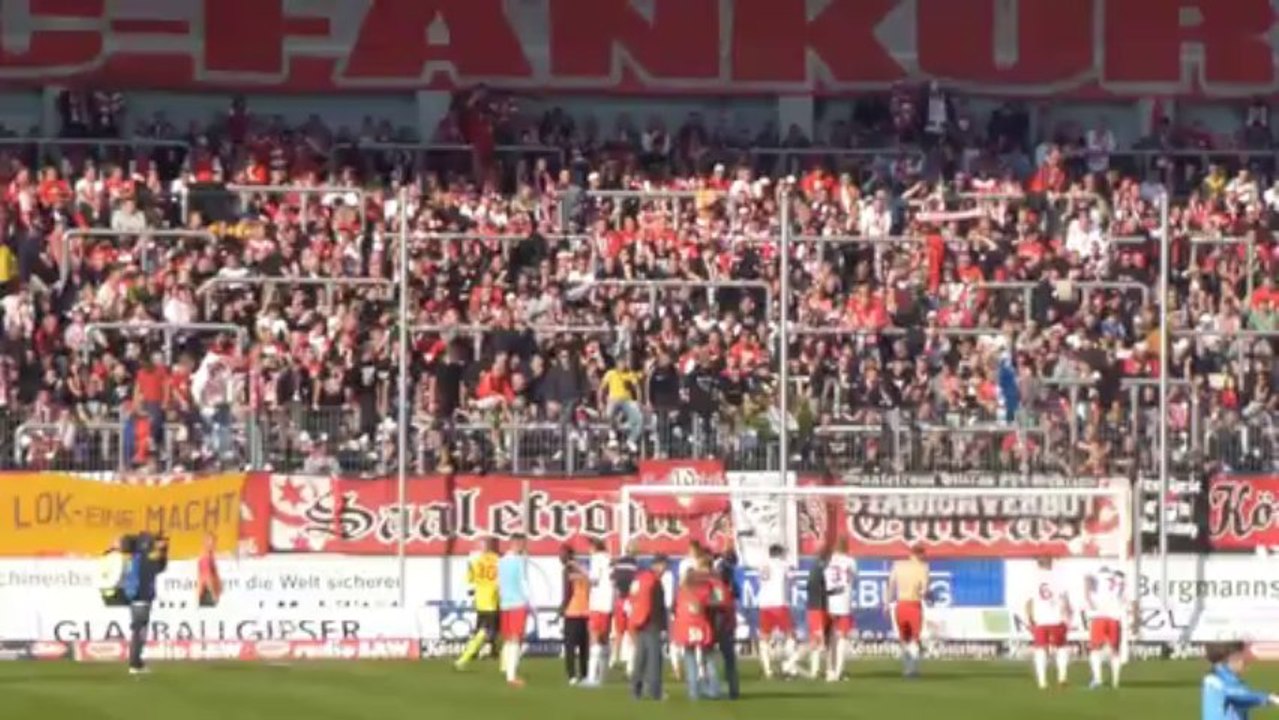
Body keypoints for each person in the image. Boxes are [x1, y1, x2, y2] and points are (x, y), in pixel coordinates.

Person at [122, 532, 169, 675]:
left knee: (138, 630)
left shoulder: (133, 558)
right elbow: (160, 567)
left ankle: (136, 662)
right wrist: (163, 550)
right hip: (142, 597)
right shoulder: (146, 558)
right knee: (139, 631)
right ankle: (135, 663)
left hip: (134, 597)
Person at [671, 562, 718, 700]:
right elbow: (714, 605)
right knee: (708, 657)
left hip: (685, 626)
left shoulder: (680, 592)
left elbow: (674, 608)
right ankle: (713, 690)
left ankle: (693, 692)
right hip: (701, 624)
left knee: (689, 656)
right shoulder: (706, 589)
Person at [1026, 556, 1071, 689]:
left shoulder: (1033, 579)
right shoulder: (1058, 578)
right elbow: (1065, 600)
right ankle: (1062, 677)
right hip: (1056, 619)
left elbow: (1029, 601)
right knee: (1061, 648)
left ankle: (1042, 682)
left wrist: (1030, 619)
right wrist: (1067, 617)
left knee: (1040, 650)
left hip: (1041, 621)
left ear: (1038, 564)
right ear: (1051, 563)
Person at [628, 554, 669, 701]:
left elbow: (632, 598)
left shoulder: (640, 579)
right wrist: (663, 628)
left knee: (640, 659)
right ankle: (655, 692)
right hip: (652, 623)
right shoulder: (655, 582)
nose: (665, 569)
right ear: (658, 565)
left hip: (639, 621)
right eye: (664, 566)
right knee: (654, 660)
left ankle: (635, 690)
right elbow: (657, 607)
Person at [1202, 642, 1279, 720]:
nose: (1248, 663)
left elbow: (1241, 701)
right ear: (1233, 656)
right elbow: (1239, 696)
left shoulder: (1218, 676)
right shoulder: (1220, 679)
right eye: (1244, 662)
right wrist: (1270, 698)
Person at [757, 544, 801, 679]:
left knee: (764, 637)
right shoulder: (783, 564)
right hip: (779, 603)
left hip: (764, 604)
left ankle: (767, 670)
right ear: (780, 554)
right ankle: (790, 667)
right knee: (790, 635)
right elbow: (793, 579)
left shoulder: (762, 564)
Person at [456, 537, 501, 670]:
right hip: (492, 600)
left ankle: (489, 652)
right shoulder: (497, 560)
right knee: (489, 631)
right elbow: (501, 580)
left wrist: (473, 589)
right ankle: (466, 658)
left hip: (481, 601)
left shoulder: (474, 560)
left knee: (484, 630)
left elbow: (469, 580)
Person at [887, 544, 929, 677]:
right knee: (914, 638)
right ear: (920, 554)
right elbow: (924, 590)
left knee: (904, 638)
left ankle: (906, 668)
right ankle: (913, 669)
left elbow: (891, 586)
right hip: (914, 604)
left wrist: (887, 603)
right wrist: (926, 594)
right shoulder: (923, 567)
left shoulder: (898, 565)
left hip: (900, 605)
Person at [498, 535, 532, 688]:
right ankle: (511, 676)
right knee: (516, 638)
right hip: (518, 602)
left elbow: (499, 583)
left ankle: (506, 668)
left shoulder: (501, 561)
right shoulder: (519, 561)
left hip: (505, 603)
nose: (524, 547)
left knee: (508, 638)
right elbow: (524, 581)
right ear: (517, 543)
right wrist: (530, 602)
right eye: (523, 544)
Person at [1085, 565, 1127, 689]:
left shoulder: (1096, 577)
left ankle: (1098, 679)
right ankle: (1115, 681)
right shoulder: (1118, 579)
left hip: (1099, 616)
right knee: (1115, 650)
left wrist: (1090, 602)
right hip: (1114, 618)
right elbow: (1122, 594)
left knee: (1095, 649)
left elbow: (1087, 588)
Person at [825, 538, 858, 682]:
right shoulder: (850, 561)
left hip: (830, 601)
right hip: (844, 601)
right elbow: (854, 578)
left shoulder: (829, 561)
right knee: (843, 638)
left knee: (831, 637)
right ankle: (839, 671)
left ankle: (830, 670)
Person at [583, 538, 614, 686]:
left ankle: (591, 678)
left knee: (594, 638)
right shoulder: (609, 559)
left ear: (594, 547)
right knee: (604, 639)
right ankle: (603, 676)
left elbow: (594, 579)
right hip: (608, 603)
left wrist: (581, 570)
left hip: (598, 603)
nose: (588, 550)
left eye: (589, 547)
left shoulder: (596, 559)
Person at [710, 550, 740, 700]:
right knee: (729, 659)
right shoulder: (730, 588)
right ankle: (733, 689)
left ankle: (713, 688)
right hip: (727, 625)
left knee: (711, 658)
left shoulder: (717, 588)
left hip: (718, 625)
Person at [560, 545, 591, 685]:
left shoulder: (569, 570)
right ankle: (579, 674)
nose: (560, 557)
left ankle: (577, 675)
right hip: (578, 612)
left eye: (563, 554)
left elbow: (568, 591)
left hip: (576, 612)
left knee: (575, 647)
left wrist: (563, 608)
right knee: (579, 647)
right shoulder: (578, 570)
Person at [804, 545, 834, 680]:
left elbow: (809, 586)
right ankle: (790, 662)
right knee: (818, 641)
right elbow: (815, 586)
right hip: (817, 607)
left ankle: (815, 670)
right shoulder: (821, 568)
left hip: (819, 606)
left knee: (820, 640)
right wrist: (832, 592)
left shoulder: (815, 567)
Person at [610, 542, 639, 675]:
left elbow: (613, 579)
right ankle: (631, 664)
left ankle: (614, 658)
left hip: (620, 600)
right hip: (630, 600)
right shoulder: (635, 564)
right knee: (633, 633)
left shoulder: (619, 563)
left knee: (619, 632)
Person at [196, 533, 222, 608]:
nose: (214, 545)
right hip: (208, 594)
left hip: (209, 593)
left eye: (214, 542)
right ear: (205, 543)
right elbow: (206, 576)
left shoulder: (210, 555)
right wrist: (214, 594)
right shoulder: (205, 556)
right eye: (212, 543)